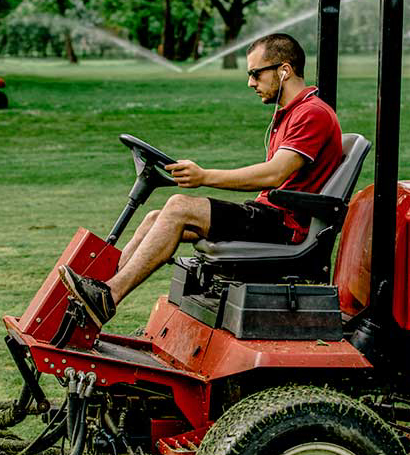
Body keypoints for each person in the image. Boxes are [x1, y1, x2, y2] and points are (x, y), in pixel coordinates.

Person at [58, 33, 342, 328]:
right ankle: (97, 292)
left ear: (284, 70)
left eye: (255, 74)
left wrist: (204, 177)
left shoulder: (312, 114)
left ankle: (109, 296)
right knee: (158, 217)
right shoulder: (292, 114)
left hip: (286, 226)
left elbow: (274, 173)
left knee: (179, 207)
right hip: (270, 216)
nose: (251, 83)